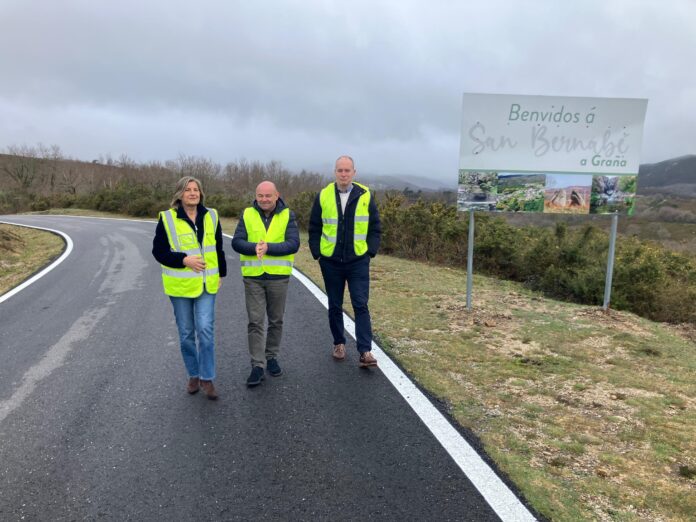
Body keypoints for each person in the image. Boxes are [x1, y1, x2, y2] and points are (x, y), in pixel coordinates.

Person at [152, 176, 226, 400]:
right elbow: (159, 252)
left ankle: (207, 377)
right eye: (188, 190)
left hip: (206, 284)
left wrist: (221, 273)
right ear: (180, 194)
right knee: (186, 334)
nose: (193, 193)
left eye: (196, 190)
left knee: (205, 330)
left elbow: (218, 247)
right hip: (180, 286)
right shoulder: (167, 219)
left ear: (201, 193)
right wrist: (184, 260)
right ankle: (193, 374)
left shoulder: (212, 215)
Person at [308, 155, 381, 368]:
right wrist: (317, 253)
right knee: (334, 305)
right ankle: (339, 343)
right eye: (340, 170)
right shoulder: (323, 195)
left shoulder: (365, 195)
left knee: (360, 303)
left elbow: (375, 227)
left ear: (354, 172)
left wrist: (370, 252)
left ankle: (365, 351)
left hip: (358, 261)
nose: (343, 174)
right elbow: (314, 226)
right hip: (330, 261)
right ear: (335, 172)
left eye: (347, 170)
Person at [232, 181, 300, 387]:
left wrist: (268, 248)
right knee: (255, 321)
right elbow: (237, 242)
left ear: (277, 195)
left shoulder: (288, 215)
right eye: (260, 195)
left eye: (268, 195)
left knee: (276, 320)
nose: (264, 199)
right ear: (256, 196)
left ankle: (271, 357)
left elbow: (293, 244)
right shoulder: (247, 214)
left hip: (278, 277)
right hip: (253, 277)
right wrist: (254, 248)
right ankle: (257, 365)